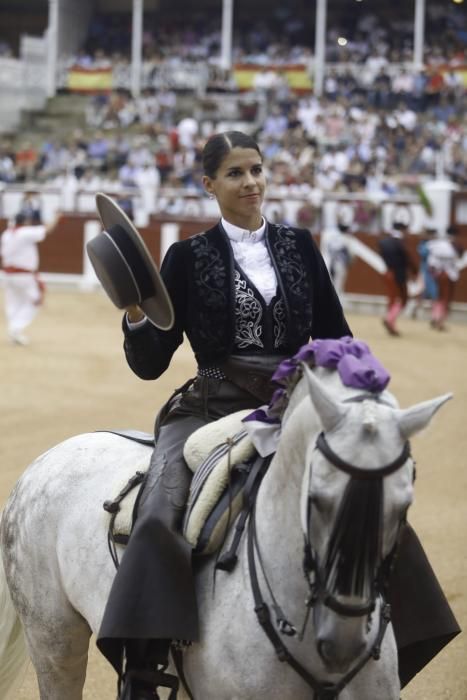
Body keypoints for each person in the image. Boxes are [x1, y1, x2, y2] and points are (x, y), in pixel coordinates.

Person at [96, 130, 351, 700]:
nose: (252, 183)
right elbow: (150, 364)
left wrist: (355, 392)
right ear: (209, 184)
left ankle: (385, 630)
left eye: (257, 169)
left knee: (367, 488)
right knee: (159, 512)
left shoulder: (300, 244)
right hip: (211, 406)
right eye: (236, 173)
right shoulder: (186, 257)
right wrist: (136, 310)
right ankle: (145, 665)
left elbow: (335, 335)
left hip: (293, 404)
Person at [0, 212, 57, 345]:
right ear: (25, 222)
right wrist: (56, 217)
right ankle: (15, 328)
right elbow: (47, 229)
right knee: (34, 301)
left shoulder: (7, 234)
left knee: (13, 302)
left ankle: (14, 330)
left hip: (7, 275)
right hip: (24, 276)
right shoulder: (25, 232)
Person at [378, 217, 418, 336]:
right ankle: (390, 319)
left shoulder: (383, 242)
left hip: (387, 272)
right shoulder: (400, 243)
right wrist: (414, 272)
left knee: (392, 299)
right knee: (403, 299)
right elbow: (408, 259)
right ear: (402, 229)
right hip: (399, 274)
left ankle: (391, 323)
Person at [426, 226, 463, 331]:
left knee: (439, 297)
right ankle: (440, 321)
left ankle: (435, 316)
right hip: (449, 274)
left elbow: (431, 262)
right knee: (445, 298)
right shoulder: (454, 245)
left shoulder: (437, 244)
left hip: (438, 274)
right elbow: (459, 257)